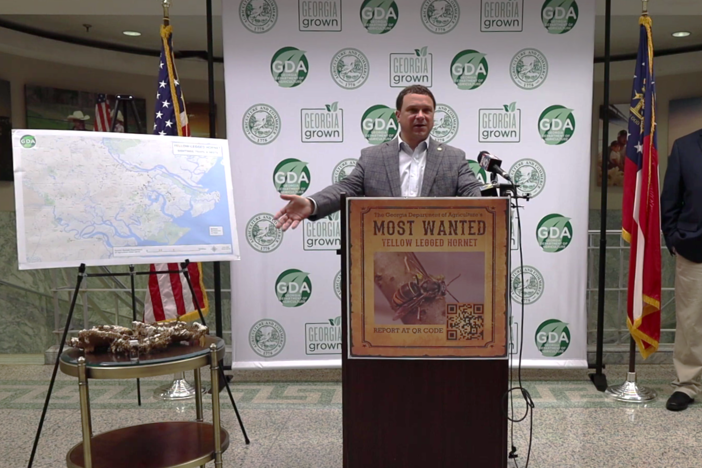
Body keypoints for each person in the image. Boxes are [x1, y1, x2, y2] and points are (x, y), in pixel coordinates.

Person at [274, 85, 482, 230]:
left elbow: (474, 192)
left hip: (438, 256)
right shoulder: (372, 158)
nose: (421, 115)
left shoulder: (453, 158)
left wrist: (496, 201)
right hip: (384, 255)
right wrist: (312, 204)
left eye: (427, 110)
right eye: (413, 110)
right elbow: (344, 189)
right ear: (398, 116)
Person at [661, 129, 702, 411]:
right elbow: (670, 199)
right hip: (694, 248)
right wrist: (674, 238)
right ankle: (687, 385)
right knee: (690, 321)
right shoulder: (684, 146)